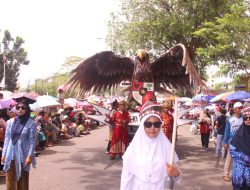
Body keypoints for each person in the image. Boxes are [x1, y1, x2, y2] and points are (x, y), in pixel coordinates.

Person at [120, 101, 181, 190]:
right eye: (148, 124)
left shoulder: (167, 147)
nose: (152, 128)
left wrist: (176, 173)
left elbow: (177, 177)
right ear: (142, 126)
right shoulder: (133, 149)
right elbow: (126, 179)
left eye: (156, 124)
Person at [1, 98, 37, 190]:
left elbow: (32, 142)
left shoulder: (31, 124)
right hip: (10, 154)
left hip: (23, 155)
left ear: (27, 109)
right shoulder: (10, 122)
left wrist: (30, 156)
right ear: (15, 109)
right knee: (10, 179)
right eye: (18, 107)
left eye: (23, 107)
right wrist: (4, 154)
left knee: (22, 179)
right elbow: (7, 139)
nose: (20, 109)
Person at [230, 102, 250, 190]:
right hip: (240, 173)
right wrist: (247, 159)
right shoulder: (239, 134)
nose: (248, 120)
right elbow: (233, 151)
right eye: (245, 118)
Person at [223, 102, 243, 182]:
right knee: (229, 160)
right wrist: (225, 142)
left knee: (239, 160)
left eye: (241, 108)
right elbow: (227, 132)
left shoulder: (244, 119)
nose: (240, 109)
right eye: (239, 108)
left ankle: (236, 175)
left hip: (241, 144)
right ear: (235, 109)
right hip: (231, 143)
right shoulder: (229, 119)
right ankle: (226, 174)